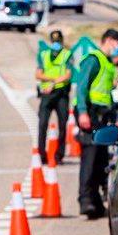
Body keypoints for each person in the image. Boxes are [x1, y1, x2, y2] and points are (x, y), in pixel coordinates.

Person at [76, 28, 118, 218]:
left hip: (102, 115)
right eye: (117, 43)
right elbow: (81, 88)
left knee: (100, 160)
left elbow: (107, 96)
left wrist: (115, 121)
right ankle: (86, 200)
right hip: (90, 113)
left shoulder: (107, 64)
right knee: (89, 158)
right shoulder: (93, 59)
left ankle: (96, 202)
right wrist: (82, 113)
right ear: (108, 40)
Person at [35, 29, 72, 166]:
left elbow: (68, 75)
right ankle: (42, 155)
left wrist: (53, 82)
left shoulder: (67, 54)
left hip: (61, 94)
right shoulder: (43, 55)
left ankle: (59, 155)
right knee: (42, 124)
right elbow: (38, 74)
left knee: (62, 125)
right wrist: (52, 80)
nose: (56, 44)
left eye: (58, 41)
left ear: (62, 41)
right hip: (47, 94)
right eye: (54, 41)